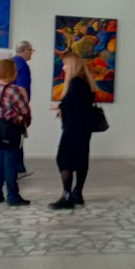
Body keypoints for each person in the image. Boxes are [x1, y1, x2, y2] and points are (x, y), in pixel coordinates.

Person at [48, 52, 98, 210]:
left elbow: (74, 105)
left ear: (72, 65)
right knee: (81, 160)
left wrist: (59, 106)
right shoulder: (85, 82)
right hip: (84, 128)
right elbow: (82, 105)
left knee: (63, 159)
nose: (63, 68)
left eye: (65, 64)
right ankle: (78, 194)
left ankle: (67, 196)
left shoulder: (75, 82)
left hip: (73, 128)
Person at [0, 58, 31, 206]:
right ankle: (13, 196)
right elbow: (24, 110)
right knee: (10, 163)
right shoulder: (14, 91)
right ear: (10, 71)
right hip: (11, 132)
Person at [13, 40, 35, 180]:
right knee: (18, 139)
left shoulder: (11, 62)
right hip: (18, 109)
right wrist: (26, 109)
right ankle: (18, 169)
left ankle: (20, 168)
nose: (32, 53)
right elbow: (22, 88)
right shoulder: (23, 65)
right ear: (24, 50)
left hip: (9, 108)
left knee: (15, 139)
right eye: (30, 50)